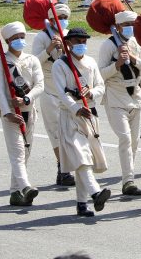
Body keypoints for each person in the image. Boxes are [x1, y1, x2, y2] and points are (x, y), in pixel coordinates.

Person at [52, 27, 110, 217]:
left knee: (86, 161)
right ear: (68, 43)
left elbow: (101, 85)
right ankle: (96, 193)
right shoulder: (60, 65)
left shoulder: (91, 62)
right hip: (71, 116)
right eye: (77, 41)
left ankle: (81, 203)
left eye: (84, 41)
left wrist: (91, 92)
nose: (81, 45)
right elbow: (61, 94)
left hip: (90, 114)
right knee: (81, 157)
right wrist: (76, 107)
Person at [0, 21, 43, 206]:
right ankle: (26, 186)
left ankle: (15, 192)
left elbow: (39, 85)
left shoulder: (32, 60)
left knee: (26, 151)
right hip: (12, 115)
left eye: (22, 37)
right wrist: (7, 112)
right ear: (7, 41)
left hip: (29, 110)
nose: (19, 40)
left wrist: (26, 99)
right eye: (15, 38)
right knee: (17, 152)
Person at [98, 11, 141, 197]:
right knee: (125, 138)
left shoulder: (137, 43)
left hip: (136, 95)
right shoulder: (108, 45)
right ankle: (128, 180)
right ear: (118, 26)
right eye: (127, 24)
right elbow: (100, 75)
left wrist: (134, 59)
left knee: (134, 141)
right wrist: (117, 63)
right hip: (115, 95)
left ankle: (128, 175)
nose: (130, 27)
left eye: (133, 23)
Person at [31, 3, 75, 186]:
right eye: (59, 17)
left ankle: (72, 163)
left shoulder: (70, 35)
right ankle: (62, 168)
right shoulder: (42, 37)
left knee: (71, 129)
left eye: (65, 17)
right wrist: (49, 49)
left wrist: (68, 50)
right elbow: (34, 63)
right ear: (50, 20)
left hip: (67, 87)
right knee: (55, 130)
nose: (63, 20)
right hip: (49, 88)